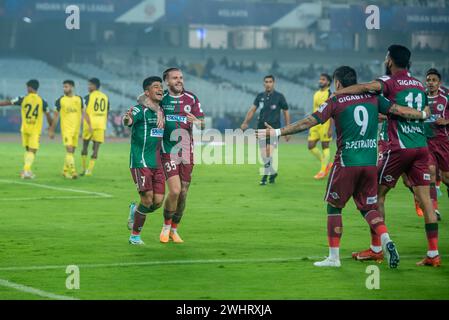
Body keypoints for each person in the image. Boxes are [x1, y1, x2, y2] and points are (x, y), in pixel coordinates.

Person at [257, 66, 428, 268]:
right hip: (370, 163)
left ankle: (333, 258)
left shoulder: (336, 100)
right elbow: (398, 110)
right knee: (369, 208)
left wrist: (277, 132)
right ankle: (387, 241)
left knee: (334, 207)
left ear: (337, 83)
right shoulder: (373, 98)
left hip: (347, 163)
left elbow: (308, 122)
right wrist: (423, 114)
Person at [335, 45, 440, 267]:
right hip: (420, 147)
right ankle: (433, 254)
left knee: (374, 197)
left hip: (398, 148)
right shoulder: (419, 85)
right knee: (428, 203)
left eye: (386, 56)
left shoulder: (389, 81)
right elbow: (411, 113)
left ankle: (376, 249)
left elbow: (366, 87)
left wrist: (341, 92)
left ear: (390, 60)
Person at [157, 67, 205, 244]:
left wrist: (197, 121)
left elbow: (203, 123)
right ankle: (166, 227)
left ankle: (174, 229)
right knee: (175, 190)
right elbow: (142, 100)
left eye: (181, 78)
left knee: (183, 192)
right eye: (175, 78)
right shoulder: (161, 98)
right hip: (167, 151)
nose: (179, 80)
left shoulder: (191, 98)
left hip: (186, 151)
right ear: (167, 81)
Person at [124, 77, 166, 245]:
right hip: (140, 161)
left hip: (157, 162)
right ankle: (134, 236)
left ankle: (135, 210)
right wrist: (127, 119)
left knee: (157, 203)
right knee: (147, 199)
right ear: (147, 92)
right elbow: (128, 120)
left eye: (161, 87)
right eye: (156, 87)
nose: (160, 89)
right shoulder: (139, 110)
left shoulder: (161, 109)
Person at [241, 75, 290, 185]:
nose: (268, 84)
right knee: (264, 154)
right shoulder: (260, 96)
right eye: (266, 82)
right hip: (261, 128)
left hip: (274, 129)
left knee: (269, 152)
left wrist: (287, 129)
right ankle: (272, 173)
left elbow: (286, 112)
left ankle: (264, 177)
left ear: (274, 83)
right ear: (263, 84)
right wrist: (245, 122)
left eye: (270, 81)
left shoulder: (279, 97)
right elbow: (252, 110)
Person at [0, 79, 52, 179]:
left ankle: (26, 170)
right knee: (33, 151)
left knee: (28, 150)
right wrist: (50, 126)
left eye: (27, 87)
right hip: (35, 130)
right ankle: (26, 171)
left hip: (24, 129)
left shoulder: (23, 98)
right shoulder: (42, 101)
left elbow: (8, 102)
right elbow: (48, 115)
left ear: (30, 87)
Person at [49, 80, 84, 179]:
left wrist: (85, 128)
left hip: (76, 130)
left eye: (66, 87)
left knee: (71, 152)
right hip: (66, 130)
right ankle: (73, 172)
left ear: (72, 87)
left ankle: (64, 171)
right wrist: (51, 130)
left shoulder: (79, 99)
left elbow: (83, 114)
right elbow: (55, 117)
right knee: (69, 149)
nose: (64, 89)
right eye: (63, 87)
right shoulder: (60, 100)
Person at [80, 78, 110, 176]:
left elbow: (84, 112)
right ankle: (89, 170)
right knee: (95, 149)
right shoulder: (105, 97)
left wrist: (89, 125)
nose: (88, 87)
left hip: (89, 125)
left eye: (90, 85)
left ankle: (85, 169)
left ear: (96, 86)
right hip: (101, 125)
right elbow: (107, 112)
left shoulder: (87, 97)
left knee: (85, 146)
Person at [308, 73, 333, 179]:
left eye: (323, 79)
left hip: (325, 123)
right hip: (315, 123)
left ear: (328, 82)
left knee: (325, 146)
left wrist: (331, 127)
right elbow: (314, 109)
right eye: (320, 79)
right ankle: (326, 164)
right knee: (311, 146)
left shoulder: (330, 94)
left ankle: (323, 171)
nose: (320, 81)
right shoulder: (316, 93)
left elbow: (332, 111)